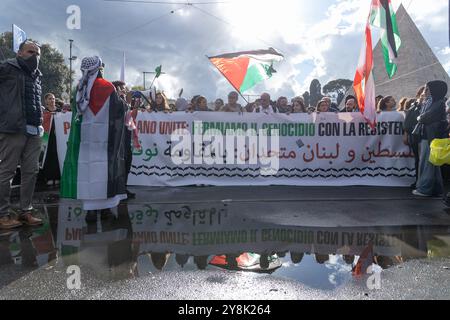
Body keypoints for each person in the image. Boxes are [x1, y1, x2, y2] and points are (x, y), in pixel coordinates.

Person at [61, 56, 128, 210]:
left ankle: (90, 211)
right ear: (99, 69)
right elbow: (119, 110)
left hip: (85, 142)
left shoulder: (78, 88)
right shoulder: (108, 87)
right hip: (104, 142)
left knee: (87, 172)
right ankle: (104, 209)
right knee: (103, 172)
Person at [0, 40, 45, 229]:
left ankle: (25, 211)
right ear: (19, 53)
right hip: (13, 129)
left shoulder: (37, 75)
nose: (34, 56)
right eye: (30, 51)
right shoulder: (6, 68)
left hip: (34, 130)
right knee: (6, 172)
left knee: (31, 171)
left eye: (37, 53)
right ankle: (2, 214)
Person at [413, 81, 448, 197]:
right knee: (433, 164)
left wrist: (419, 117)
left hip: (430, 137)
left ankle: (424, 189)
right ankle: (437, 189)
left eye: (428, 89)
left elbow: (425, 117)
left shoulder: (438, 103)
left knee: (426, 163)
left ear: (435, 90)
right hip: (431, 136)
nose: (425, 91)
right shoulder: (433, 102)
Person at [112, 81, 136, 200]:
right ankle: (117, 190)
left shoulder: (124, 102)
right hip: (117, 140)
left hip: (125, 139)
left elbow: (129, 120)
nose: (124, 90)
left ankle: (123, 188)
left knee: (127, 162)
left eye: (124, 88)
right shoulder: (113, 102)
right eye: (122, 88)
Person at [404, 86, 426, 189]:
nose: (424, 95)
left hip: (427, 136)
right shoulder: (414, 106)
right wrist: (409, 132)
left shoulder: (431, 105)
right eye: (423, 93)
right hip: (416, 137)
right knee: (418, 159)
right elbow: (407, 122)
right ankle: (418, 181)